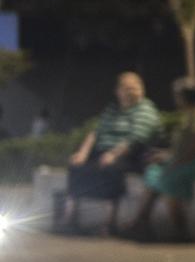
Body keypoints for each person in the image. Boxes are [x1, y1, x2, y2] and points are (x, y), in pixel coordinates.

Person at [125, 78, 195, 240]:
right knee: (154, 171)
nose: (176, 100)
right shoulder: (192, 112)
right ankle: (142, 221)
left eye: (178, 96)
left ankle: (181, 230)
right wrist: (166, 156)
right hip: (192, 160)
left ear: (186, 97)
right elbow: (185, 147)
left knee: (168, 177)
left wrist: (174, 163)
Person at [55, 71, 160, 233]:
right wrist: (82, 152)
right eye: (127, 88)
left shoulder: (145, 109)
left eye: (135, 88)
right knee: (76, 166)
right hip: (105, 151)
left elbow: (136, 138)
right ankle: (70, 215)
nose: (132, 92)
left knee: (112, 169)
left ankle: (109, 221)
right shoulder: (112, 110)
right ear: (118, 91)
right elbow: (96, 132)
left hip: (132, 154)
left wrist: (113, 154)